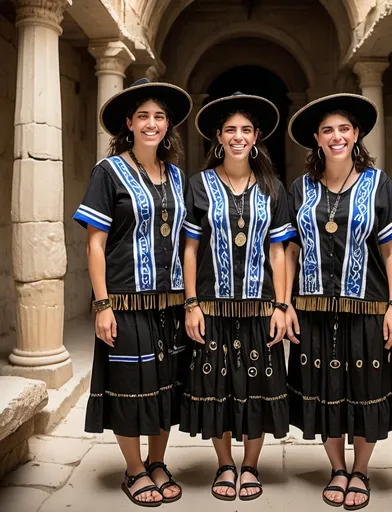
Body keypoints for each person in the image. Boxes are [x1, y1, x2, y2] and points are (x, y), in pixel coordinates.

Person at [285, 93, 392, 510]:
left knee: (365, 389)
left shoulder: (379, 183)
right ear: (316, 140)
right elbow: (288, 251)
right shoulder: (300, 188)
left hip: (367, 307)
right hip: (313, 310)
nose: (336, 136)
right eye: (328, 130)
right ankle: (337, 468)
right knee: (324, 390)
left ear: (356, 134)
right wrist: (285, 304)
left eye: (344, 128)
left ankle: (360, 470)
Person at [73, 78, 192, 507]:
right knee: (129, 386)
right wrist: (102, 303)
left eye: (159, 117)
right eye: (143, 116)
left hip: (171, 301)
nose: (151, 124)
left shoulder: (177, 176)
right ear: (128, 123)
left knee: (165, 385)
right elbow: (95, 244)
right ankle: (134, 469)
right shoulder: (108, 173)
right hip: (125, 299)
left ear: (168, 125)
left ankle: (158, 462)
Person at [179, 93, 295, 502]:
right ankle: (225, 464)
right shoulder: (199, 184)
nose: (238, 136)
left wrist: (282, 304)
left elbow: (279, 250)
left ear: (257, 136)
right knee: (218, 387)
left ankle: (251, 465)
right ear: (218, 136)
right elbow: (190, 249)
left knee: (258, 387)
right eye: (231, 130)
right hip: (212, 306)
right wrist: (191, 303)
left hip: (261, 306)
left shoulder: (273, 187)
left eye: (246, 129)